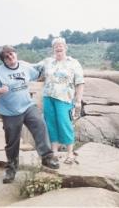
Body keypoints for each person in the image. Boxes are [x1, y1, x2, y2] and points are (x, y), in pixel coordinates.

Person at [0, 45, 59, 184]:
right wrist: (0, 90)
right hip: (10, 112)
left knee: (40, 124)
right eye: (6, 56)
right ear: (3, 60)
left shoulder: (25, 66)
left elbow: (38, 73)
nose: (10, 57)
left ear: (15, 53)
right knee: (12, 142)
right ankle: (11, 169)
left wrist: (51, 63)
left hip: (27, 106)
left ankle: (47, 157)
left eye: (11, 53)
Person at [36, 37, 84, 165]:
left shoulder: (74, 63)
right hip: (48, 97)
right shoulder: (47, 62)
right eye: (56, 45)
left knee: (65, 124)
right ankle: (54, 153)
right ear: (53, 49)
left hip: (65, 99)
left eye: (61, 45)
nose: (58, 47)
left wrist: (78, 101)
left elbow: (79, 83)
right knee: (50, 125)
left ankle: (70, 153)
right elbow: (32, 69)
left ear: (65, 47)